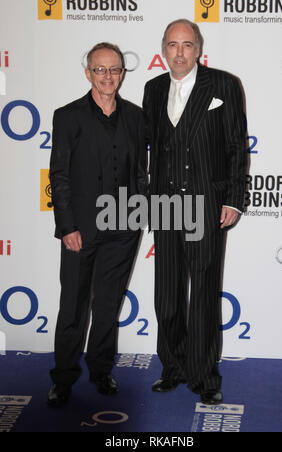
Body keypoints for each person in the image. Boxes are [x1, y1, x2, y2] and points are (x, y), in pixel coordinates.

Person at [143, 19, 247, 405]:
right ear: (164, 49)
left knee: (203, 293)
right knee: (167, 296)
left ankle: (205, 375)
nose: (180, 52)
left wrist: (234, 198)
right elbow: (149, 146)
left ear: (198, 49)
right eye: (173, 44)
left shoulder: (223, 85)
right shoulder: (153, 89)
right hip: (166, 206)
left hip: (205, 204)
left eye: (187, 44)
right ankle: (173, 367)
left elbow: (237, 146)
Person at [48, 42, 147, 406]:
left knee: (108, 305)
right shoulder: (68, 116)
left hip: (123, 230)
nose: (108, 76)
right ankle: (62, 378)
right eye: (101, 69)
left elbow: (140, 171)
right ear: (88, 72)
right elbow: (59, 176)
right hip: (81, 231)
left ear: (122, 73)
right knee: (73, 305)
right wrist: (67, 227)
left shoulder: (136, 118)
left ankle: (102, 370)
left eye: (115, 69)